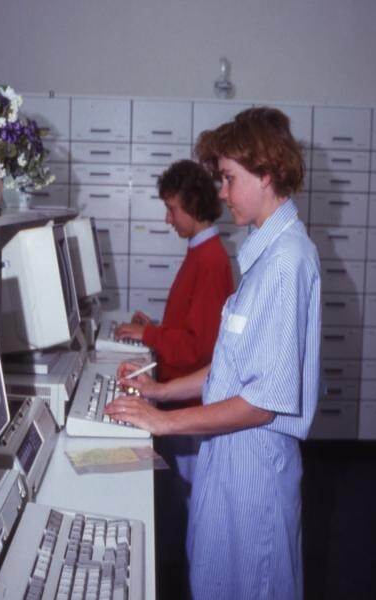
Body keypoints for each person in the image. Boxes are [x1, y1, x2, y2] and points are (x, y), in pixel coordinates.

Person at [106, 106, 321, 600]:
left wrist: (163, 422)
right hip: (230, 457)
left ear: (266, 173)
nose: (221, 192)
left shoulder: (287, 263)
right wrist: (159, 390)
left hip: (254, 469)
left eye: (229, 178)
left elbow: (261, 402)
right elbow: (229, 367)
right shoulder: (266, 256)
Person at [115, 159, 235, 598]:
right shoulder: (200, 253)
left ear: (194, 205)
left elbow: (200, 349)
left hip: (189, 409)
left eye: (171, 209)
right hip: (178, 399)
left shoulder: (211, 260)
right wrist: (154, 327)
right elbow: (188, 329)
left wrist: (149, 334)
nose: (167, 219)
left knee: (189, 513)